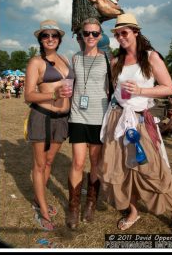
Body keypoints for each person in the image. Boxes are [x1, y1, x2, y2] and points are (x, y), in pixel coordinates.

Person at [98, 13, 172, 234]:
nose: (120, 37)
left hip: (140, 120)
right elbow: (114, 92)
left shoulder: (150, 57)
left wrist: (141, 91)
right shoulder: (115, 61)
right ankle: (133, 211)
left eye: (124, 32)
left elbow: (168, 88)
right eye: (117, 34)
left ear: (136, 32)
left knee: (154, 168)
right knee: (120, 168)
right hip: (117, 119)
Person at [24, 19, 75, 231]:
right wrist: (52, 93)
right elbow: (28, 95)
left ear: (59, 39)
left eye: (54, 35)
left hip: (62, 119)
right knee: (39, 164)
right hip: (43, 117)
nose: (50, 38)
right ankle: (42, 209)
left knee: (49, 162)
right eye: (45, 35)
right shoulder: (36, 62)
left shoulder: (64, 59)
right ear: (40, 39)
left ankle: (38, 198)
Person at [67, 18, 111, 230]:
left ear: (100, 36)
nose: (90, 37)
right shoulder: (74, 58)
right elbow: (68, 84)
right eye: (87, 33)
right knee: (77, 162)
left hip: (99, 118)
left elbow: (113, 89)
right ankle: (73, 207)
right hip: (77, 117)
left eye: (95, 33)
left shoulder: (107, 60)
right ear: (81, 36)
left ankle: (91, 204)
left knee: (94, 163)